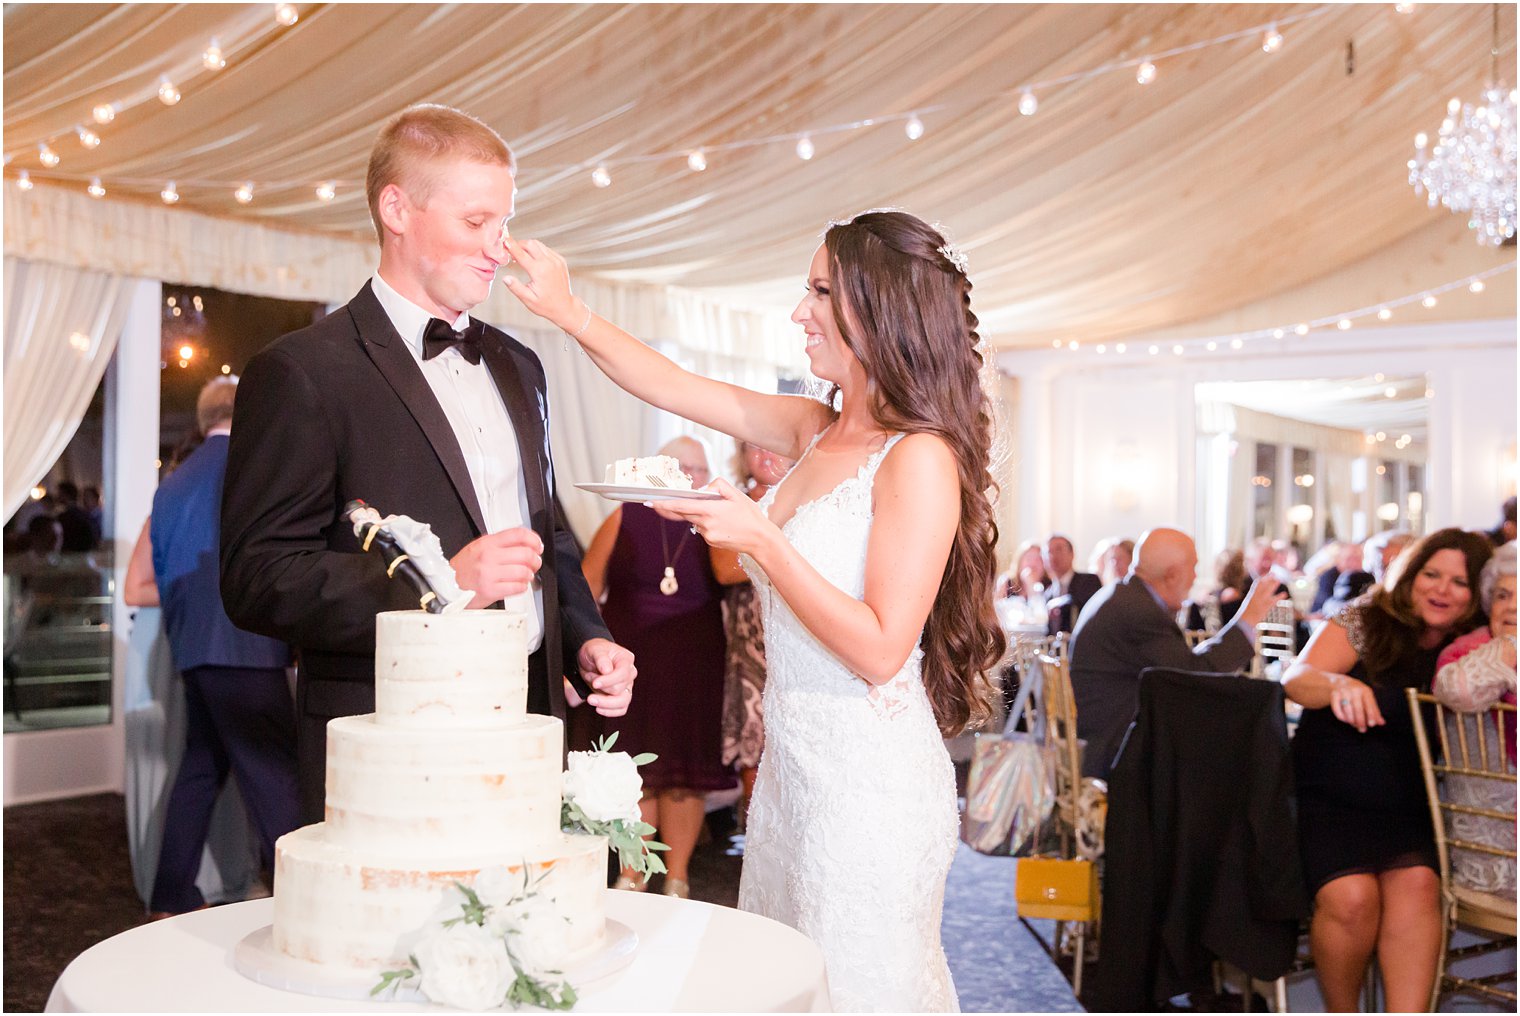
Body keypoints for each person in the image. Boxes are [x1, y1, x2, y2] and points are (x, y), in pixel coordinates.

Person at [502, 209, 1004, 1011]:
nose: (799, 312)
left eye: (818, 292)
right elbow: (675, 385)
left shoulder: (921, 458)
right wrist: (569, 312)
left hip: (870, 793)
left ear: (877, 309)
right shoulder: (814, 427)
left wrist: (761, 540)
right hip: (793, 778)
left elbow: (881, 649)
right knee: (788, 987)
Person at [219, 104, 635, 824]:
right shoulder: (302, 372)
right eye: (476, 223)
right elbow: (257, 577)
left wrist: (587, 638)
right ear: (396, 209)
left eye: (502, 225)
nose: (497, 249)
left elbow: (546, 534)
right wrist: (440, 582)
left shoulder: (519, 365)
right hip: (389, 729)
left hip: (529, 723)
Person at [1283, 528, 1494, 1012]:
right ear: (1411, 575)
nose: (1441, 589)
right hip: (1330, 797)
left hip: (1407, 804)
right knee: (1353, 898)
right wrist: (1337, 684)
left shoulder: (1470, 650)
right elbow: (1296, 679)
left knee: (1419, 885)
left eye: (1459, 582)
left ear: (1476, 592)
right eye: (1431, 574)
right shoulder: (1368, 620)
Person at [125, 377, 302, 917]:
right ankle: (301, 898)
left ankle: (170, 893)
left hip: (193, 652)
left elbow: (156, 578)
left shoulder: (171, 487)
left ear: (202, 421)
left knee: (201, 769)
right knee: (276, 776)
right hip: (248, 645)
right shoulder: (254, 471)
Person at [579, 436, 736, 899]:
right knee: (636, 770)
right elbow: (588, 580)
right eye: (680, 465)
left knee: (685, 773)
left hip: (695, 662)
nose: (691, 476)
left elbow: (735, 575)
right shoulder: (625, 513)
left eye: (701, 469)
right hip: (632, 657)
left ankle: (678, 876)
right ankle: (634, 872)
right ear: (658, 469)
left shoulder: (715, 526)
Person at [1069, 528, 1281, 778]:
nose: (1194, 578)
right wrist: (1248, 618)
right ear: (1171, 575)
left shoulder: (1125, 597)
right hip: (1119, 752)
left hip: (1113, 736)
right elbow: (1193, 676)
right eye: (1193, 568)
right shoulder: (1139, 612)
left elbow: (1184, 665)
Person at [716, 440, 795, 834]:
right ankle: (755, 836)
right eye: (754, 448)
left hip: (801, 633)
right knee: (754, 742)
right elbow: (724, 570)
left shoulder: (807, 498)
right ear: (741, 456)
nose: (767, 454)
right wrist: (779, 547)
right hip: (749, 643)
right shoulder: (734, 503)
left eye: (775, 447)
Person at [1431, 541, 1516, 896]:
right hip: (1495, 848)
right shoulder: (1468, 653)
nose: (1511, 606)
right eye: (1502, 595)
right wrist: (1513, 644)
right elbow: (1462, 691)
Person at [1044, 532, 1102, 633]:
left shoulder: (1089, 580)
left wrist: (1060, 602)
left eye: (1059, 549)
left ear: (1072, 554)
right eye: (1049, 552)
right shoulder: (1048, 592)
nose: (1053, 556)